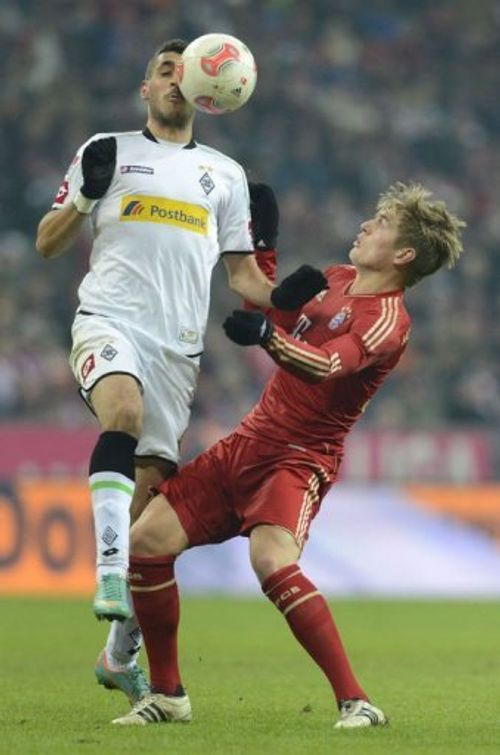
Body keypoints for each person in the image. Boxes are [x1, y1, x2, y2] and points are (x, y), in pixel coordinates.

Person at [110, 181, 465, 729]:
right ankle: (167, 694)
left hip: (299, 459)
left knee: (271, 562)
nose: (367, 226)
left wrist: (266, 340)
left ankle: (356, 701)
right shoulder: (336, 278)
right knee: (146, 544)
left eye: (382, 224)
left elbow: (325, 366)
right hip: (247, 443)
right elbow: (271, 319)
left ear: (404, 254)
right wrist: (264, 252)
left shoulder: (389, 320)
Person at [35, 38, 326, 703]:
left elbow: (245, 279)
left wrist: (285, 294)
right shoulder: (105, 149)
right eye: (163, 70)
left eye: (182, 69)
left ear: (205, 89)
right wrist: (85, 196)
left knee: (147, 523)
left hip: (176, 353)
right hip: (108, 321)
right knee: (123, 414)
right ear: (148, 88)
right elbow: (48, 241)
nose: (174, 78)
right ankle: (105, 571)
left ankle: (118, 654)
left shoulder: (223, 175)